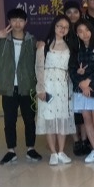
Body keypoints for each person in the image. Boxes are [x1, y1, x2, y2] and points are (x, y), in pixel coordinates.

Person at [0, 8, 41, 165]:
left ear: (26, 22)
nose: (17, 23)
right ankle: (11, 151)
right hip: (8, 88)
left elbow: (39, 61)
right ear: (9, 21)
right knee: (9, 121)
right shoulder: (2, 40)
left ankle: (31, 148)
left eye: (20, 20)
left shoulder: (31, 41)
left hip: (27, 87)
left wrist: (40, 45)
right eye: (14, 20)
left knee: (30, 120)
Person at [35, 15, 75, 166]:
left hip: (63, 87)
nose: (62, 29)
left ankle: (61, 151)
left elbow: (70, 69)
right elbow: (39, 68)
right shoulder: (44, 45)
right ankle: (53, 152)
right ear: (54, 26)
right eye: (60, 26)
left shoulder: (69, 46)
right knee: (50, 119)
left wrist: (70, 90)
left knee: (62, 119)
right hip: (48, 85)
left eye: (66, 27)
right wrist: (40, 89)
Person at [70, 20, 94, 167]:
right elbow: (72, 69)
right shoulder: (76, 49)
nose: (84, 34)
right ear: (77, 34)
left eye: (87, 30)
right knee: (87, 119)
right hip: (81, 90)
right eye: (80, 31)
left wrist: (89, 81)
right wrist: (81, 83)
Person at [64, 0, 90, 157]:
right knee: (71, 111)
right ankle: (76, 141)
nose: (72, 15)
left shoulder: (84, 30)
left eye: (75, 12)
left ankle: (85, 139)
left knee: (83, 110)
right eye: (69, 12)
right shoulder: (62, 32)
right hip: (66, 78)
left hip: (83, 76)